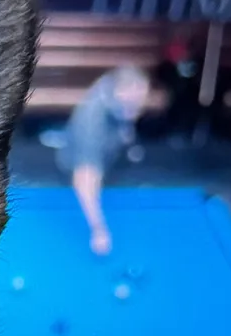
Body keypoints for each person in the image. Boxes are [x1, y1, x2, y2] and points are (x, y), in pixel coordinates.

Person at [42, 65, 152, 255]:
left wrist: (126, 126)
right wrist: (99, 229)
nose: (138, 106)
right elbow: (83, 179)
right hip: (79, 163)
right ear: (119, 92)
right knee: (89, 178)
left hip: (111, 148)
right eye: (132, 102)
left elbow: (128, 104)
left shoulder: (115, 86)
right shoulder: (92, 124)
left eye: (140, 100)